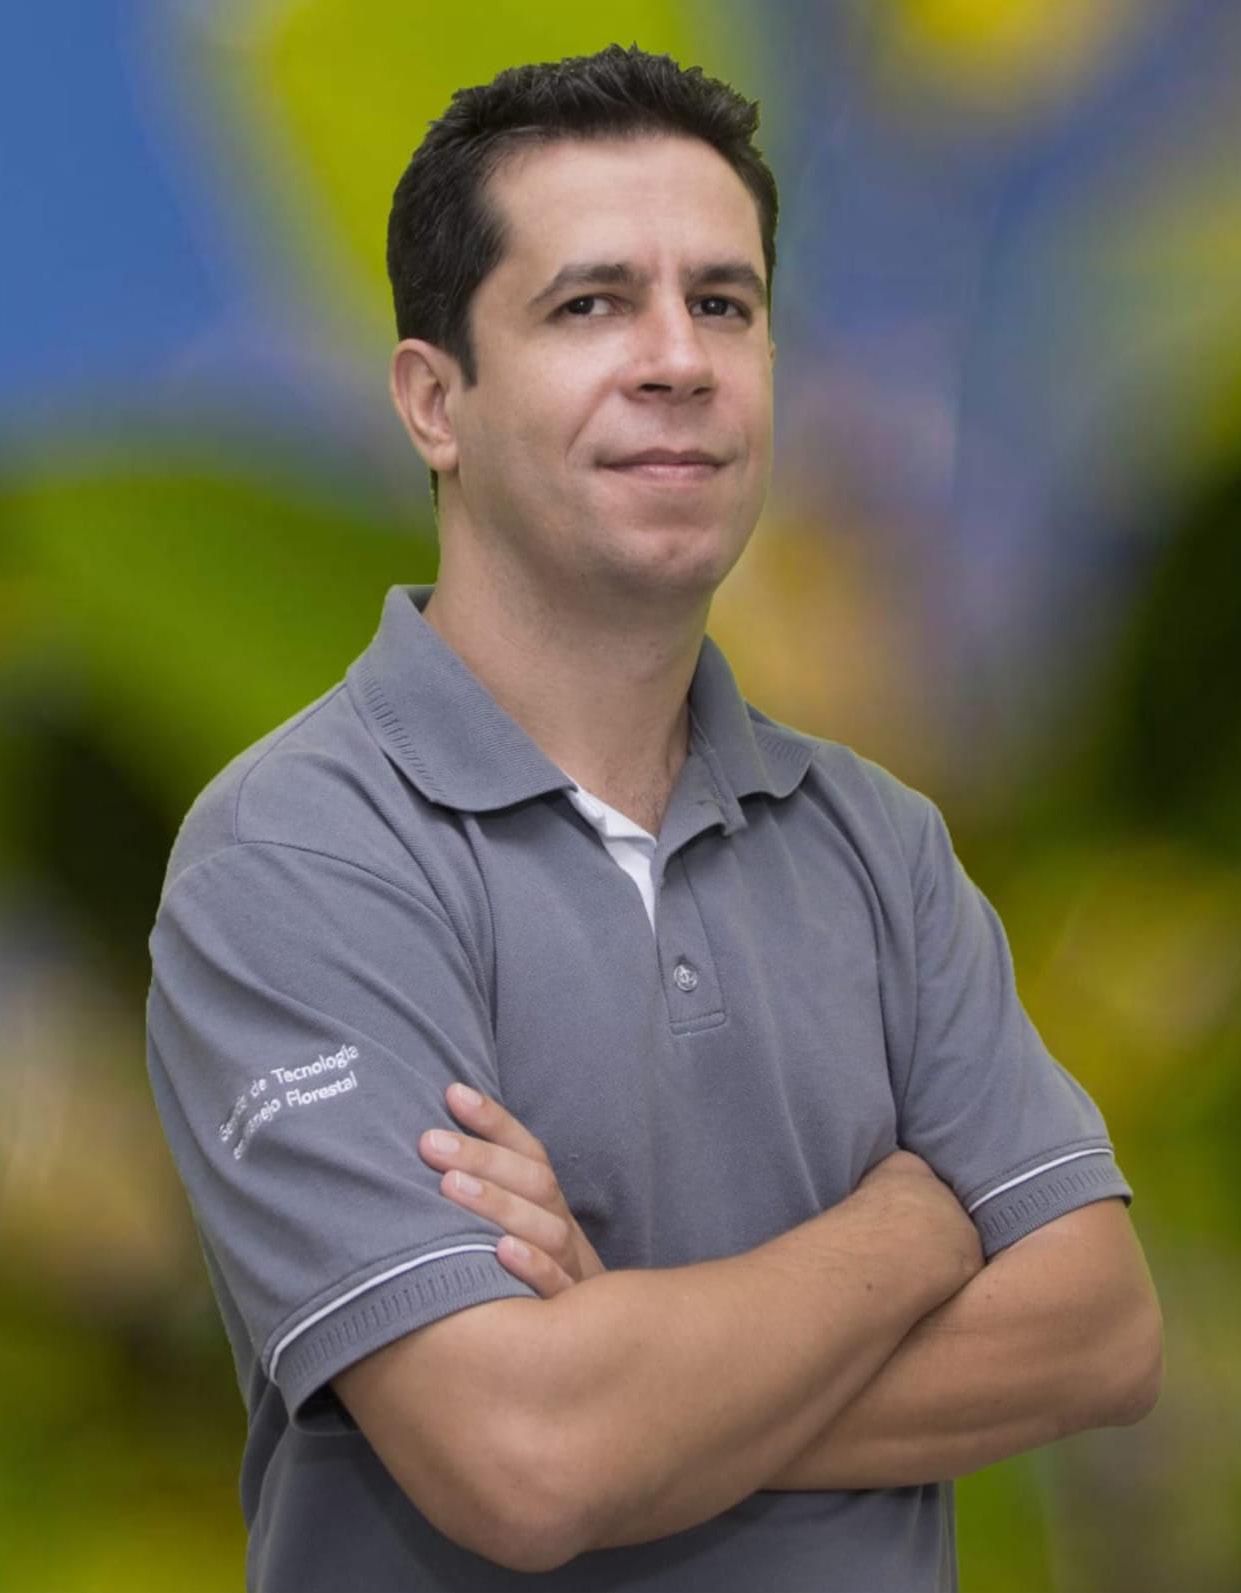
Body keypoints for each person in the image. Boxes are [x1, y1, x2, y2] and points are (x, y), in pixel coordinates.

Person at [144, 42, 1163, 1593]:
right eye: (588, 305)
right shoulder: (293, 855)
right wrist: (908, 1228)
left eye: (726, 304)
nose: (677, 359)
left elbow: (1100, 1332)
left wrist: (636, 1377)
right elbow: (525, 1460)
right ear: (431, 401)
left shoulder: (880, 843)